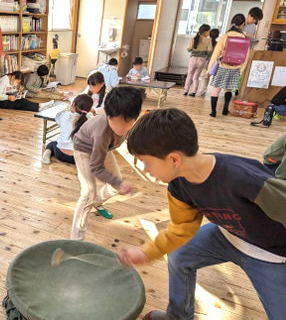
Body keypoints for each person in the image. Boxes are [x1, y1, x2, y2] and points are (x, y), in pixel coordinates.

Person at [119, 108, 286, 320]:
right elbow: (181, 229)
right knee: (180, 255)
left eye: (146, 162)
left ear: (173, 159)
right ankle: (178, 316)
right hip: (227, 236)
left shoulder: (243, 177)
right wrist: (146, 253)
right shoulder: (178, 185)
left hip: (271, 255)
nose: (145, 169)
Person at [70, 87, 143, 239]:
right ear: (108, 115)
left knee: (116, 185)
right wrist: (120, 183)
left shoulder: (132, 121)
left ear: (134, 118)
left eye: (127, 122)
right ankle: (75, 240)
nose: (121, 128)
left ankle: (97, 202)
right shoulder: (101, 132)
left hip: (105, 148)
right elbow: (96, 167)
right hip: (83, 149)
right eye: (116, 122)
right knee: (88, 193)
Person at [207, 14, 249, 117]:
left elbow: (216, 53)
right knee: (229, 89)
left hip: (223, 66)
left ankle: (213, 112)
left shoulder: (225, 36)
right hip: (236, 68)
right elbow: (246, 56)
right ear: (243, 24)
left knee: (216, 89)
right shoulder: (244, 37)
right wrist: (241, 69)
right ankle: (225, 109)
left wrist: (209, 68)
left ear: (231, 23)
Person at [42, 94, 94, 165]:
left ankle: (47, 153)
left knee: (52, 143)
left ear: (73, 105)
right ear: (89, 109)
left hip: (61, 154)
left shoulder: (65, 115)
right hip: (80, 158)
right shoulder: (91, 119)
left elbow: (58, 118)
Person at [183, 24, 212, 97]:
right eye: (209, 31)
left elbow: (189, 49)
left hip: (193, 59)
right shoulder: (208, 40)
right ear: (205, 32)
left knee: (189, 75)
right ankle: (193, 92)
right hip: (201, 60)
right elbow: (209, 52)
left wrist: (195, 50)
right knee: (196, 77)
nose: (209, 32)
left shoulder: (194, 38)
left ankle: (186, 91)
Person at [198, 28, 220, 97]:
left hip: (205, 62)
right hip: (213, 63)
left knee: (204, 77)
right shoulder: (217, 44)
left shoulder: (206, 42)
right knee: (207, 77)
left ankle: (203, 90)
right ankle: (204, 89)